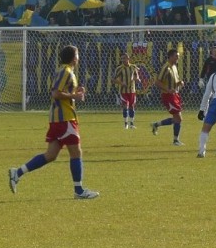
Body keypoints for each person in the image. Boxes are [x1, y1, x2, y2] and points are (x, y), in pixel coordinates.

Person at [8, 45, 99, 199]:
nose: (79, 57)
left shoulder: (65, 71)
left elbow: (60, 92)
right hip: (65, 119)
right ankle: (79, 191)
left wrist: (75, 93)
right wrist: (74, 97)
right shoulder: (66, 71)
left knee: (51, 155)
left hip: (58, 118)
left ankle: (17, 172)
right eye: (77, 54)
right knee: (76, 152)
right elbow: (56, 93)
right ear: (72, 57)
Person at [150, 49, 185, 146]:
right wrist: (168, 89)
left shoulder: (174, 67)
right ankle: (175, 140)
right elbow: (157, 82)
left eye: (178, 56)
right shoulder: (166, 67)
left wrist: (179, 83)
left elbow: (175, 82)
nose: (178, 58)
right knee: (178, 118)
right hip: (168, 96)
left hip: (174, 95)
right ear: (170, 57)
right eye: (176, 56)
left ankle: (156, 125)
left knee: (176, 119)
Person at [113, 52, 140, 129]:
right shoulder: (119, 69)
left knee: (132, 107)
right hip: (123, 91)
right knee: (125, 106)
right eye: (121, 59)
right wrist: (121, 83)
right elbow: (113, 79)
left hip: (132, 90)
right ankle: (126, 124)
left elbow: (136, 76)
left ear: (128, 58)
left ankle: (131, 123)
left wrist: (137, 79)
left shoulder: (133, 67)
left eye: (124, 58)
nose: (123, 60)